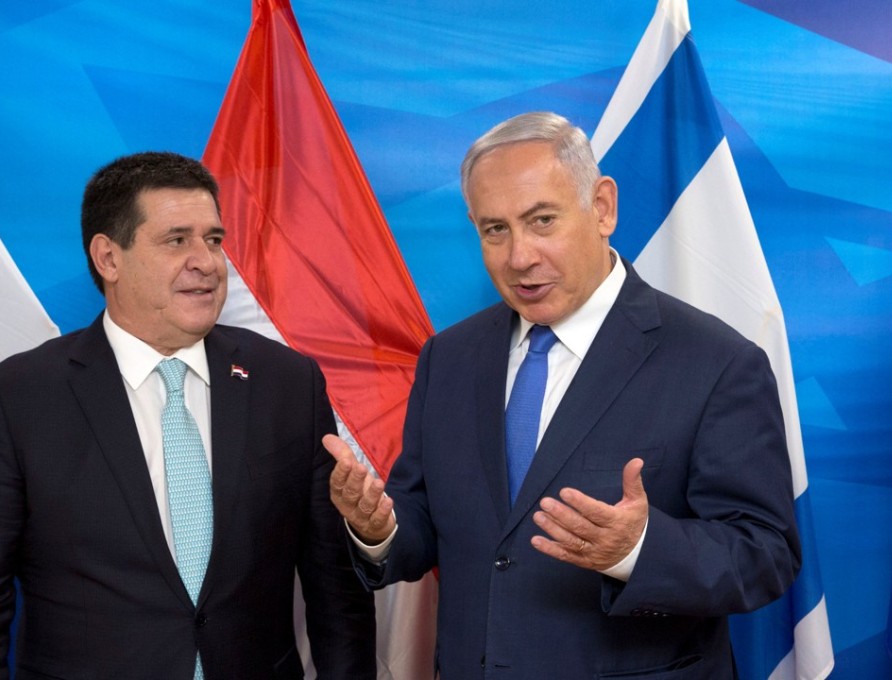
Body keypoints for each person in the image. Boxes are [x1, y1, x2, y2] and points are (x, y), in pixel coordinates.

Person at [327, 112, 800, 679]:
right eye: (494, 229)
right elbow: (429, 521)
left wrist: (638, 549)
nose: (519, 256)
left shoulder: (717, 362)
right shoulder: (449, 358)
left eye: (542, 220)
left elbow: (764, 554)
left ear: (602, 208)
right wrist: (379, 531)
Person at [0, 152, 376, 679]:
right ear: (108, 258)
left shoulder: (288, 383)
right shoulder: (17, 399)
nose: (206, 261)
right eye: (176, 240)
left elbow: (336, 588)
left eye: (213, 239)